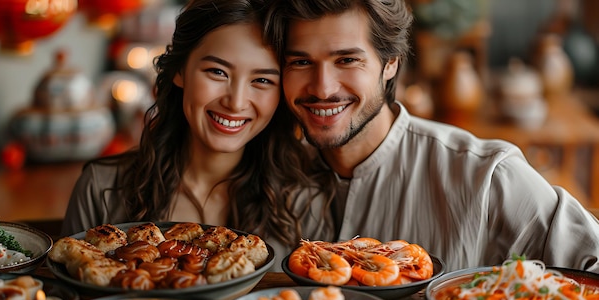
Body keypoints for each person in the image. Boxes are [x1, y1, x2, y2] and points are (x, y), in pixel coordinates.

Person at [264, 0, 599, 273]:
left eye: (347, 60)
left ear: (391, 62)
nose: (323, 87)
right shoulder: (267, 173)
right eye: (301, 62)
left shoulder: (486, 176)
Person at [61, 0, 333, 268]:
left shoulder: (305, 201)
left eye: (262, 80)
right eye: (217, 72)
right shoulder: (101, 188)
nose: (236, 102)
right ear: (180, 71)